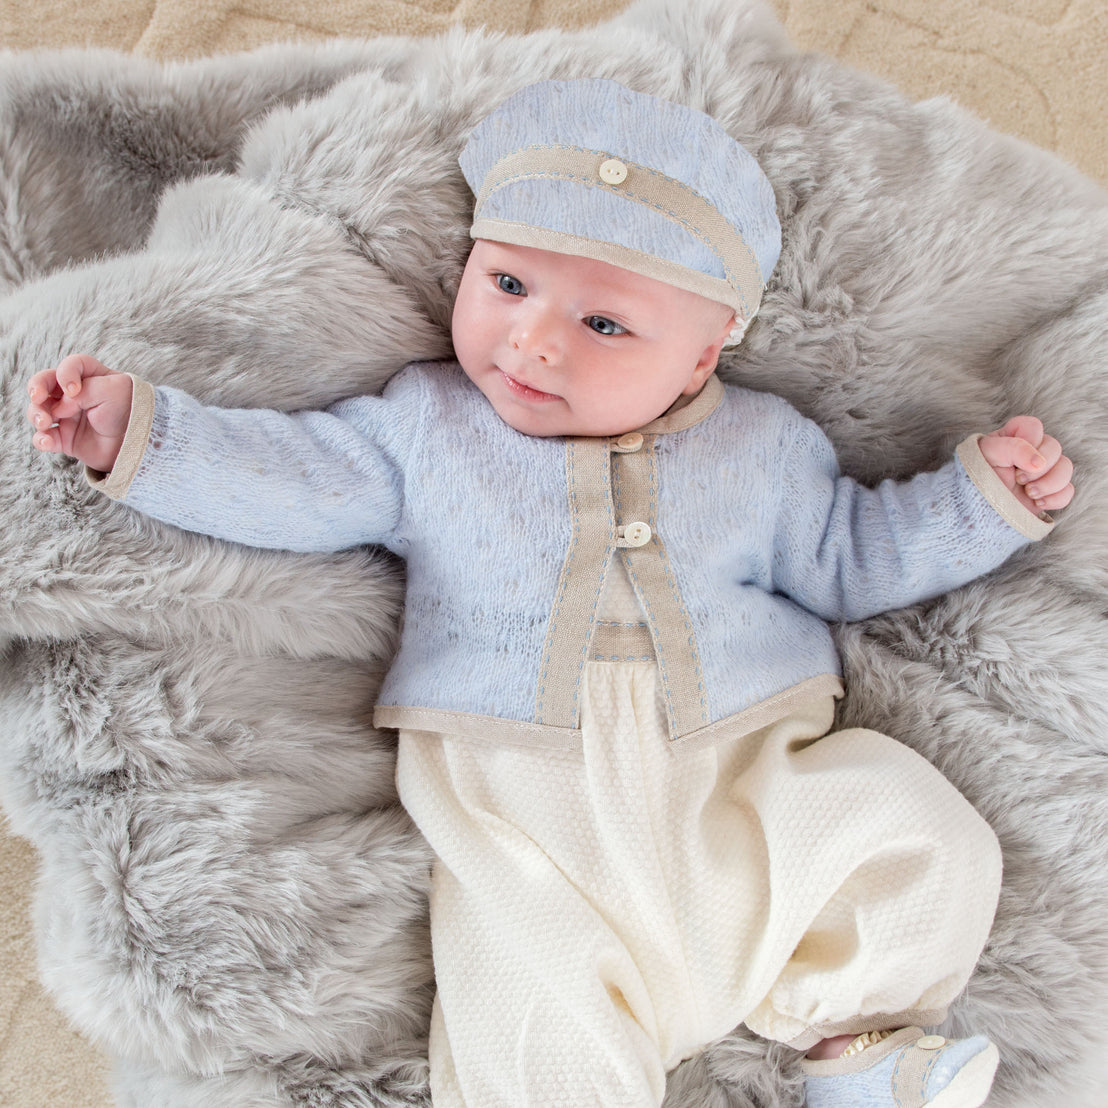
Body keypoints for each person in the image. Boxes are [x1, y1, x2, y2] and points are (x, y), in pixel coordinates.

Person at [25, 79, 1074, 1108]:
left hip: (748, 783)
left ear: (702, 352)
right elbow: (297, 476)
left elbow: (853, 557)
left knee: (914, 834)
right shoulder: (423, 431)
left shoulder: (765, 451)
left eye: (605, 325)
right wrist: (145, 435)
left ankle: (865, 1053)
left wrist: (979, 501)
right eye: (510, 285)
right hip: (522, 814)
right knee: (524, 1012)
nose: (532, 340)